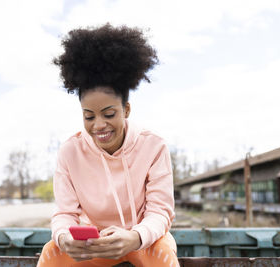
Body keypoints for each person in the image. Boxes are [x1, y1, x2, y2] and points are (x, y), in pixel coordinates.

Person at [37, 23, 179, 267]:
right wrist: (63, 238)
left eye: (109, 114)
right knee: (51, 253)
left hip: (141, 242)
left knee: (164, 253)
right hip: (92, 246)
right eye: (89, 116)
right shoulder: (70, 151)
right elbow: (64, 214)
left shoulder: (154, 147)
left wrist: (135, 237)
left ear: (126, 110)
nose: (99, 125)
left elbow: (160, 211)